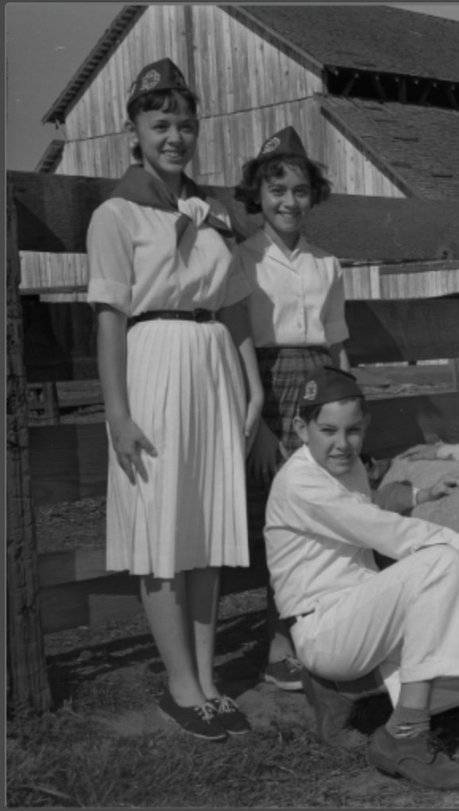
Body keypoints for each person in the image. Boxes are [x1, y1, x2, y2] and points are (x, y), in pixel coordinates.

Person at [86, 58, 261, 742]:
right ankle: (180, 686)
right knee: (163, 532)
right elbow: (108, 320)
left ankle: (210, 680)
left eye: (186, 125)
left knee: (207, 529)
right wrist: (118, 414)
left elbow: (237, 307)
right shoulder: (116, 214)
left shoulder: (214, 211)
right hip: (152, 364)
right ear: (134, 131)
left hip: (213, 365)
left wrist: (249, 388)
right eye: (161, 124)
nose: (175, 137)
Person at [264, 367, 459, 790]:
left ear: (365, 426)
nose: (342, 443)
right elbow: (385, 533)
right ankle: (407, 735)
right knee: (440, 561)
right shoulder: (300, 481)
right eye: (328, 430)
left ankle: (352, 690)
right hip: (326, 629)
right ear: (302, 428)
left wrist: (421, 495)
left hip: (369, 619)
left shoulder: (346, 466)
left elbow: (368, 510)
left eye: (353, 430)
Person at [230, 125, 347, 692]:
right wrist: (255, 428)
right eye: (277, 191)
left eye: (300, 191)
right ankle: (277, 644)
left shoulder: (327, 263)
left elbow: (337, 343)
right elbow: (238, 343)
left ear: (313, 196)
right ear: (258, 195)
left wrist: (345, 405)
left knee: (317, 514)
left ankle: (314, 636)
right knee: (277, 518)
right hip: (266, 386)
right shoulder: (242, 259)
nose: (289, 202)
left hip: (318, 384)